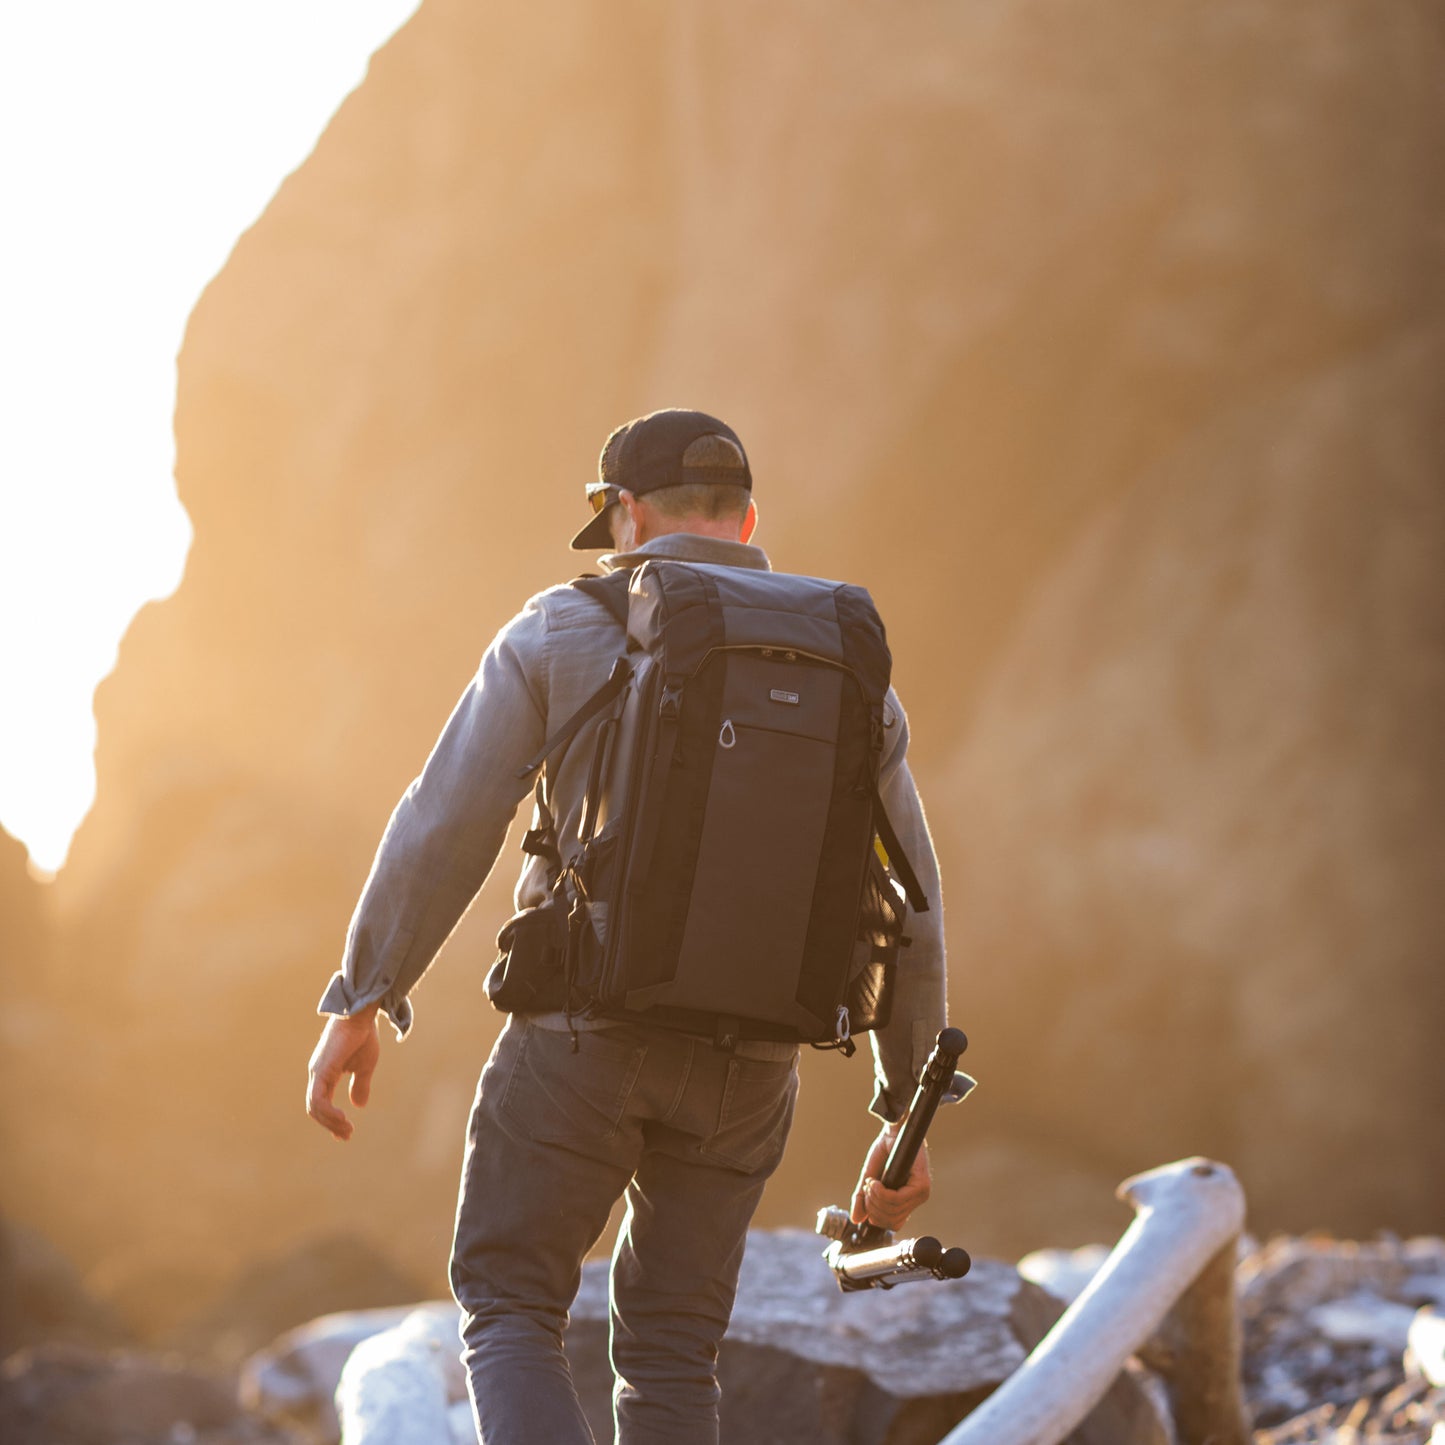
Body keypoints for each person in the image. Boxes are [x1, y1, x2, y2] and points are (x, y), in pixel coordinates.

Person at [305, 408, 948, 1444]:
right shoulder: (845, 664)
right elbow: (908, 890)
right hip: (753, 1064)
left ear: (626, 515)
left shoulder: (561, 627)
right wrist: (903, 1106)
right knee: (670, 1349)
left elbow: (448, 817)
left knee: (511, 1303)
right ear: (746, 521)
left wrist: (362, 992)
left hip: (580, 1039)